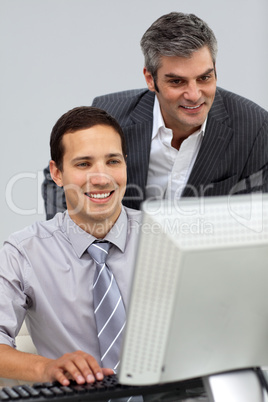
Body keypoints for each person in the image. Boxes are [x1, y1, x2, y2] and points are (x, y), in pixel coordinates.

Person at [42, 11, 268, 219]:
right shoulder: (110, 116)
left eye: (204, 78)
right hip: (119, 257)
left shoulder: (254, 127)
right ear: (150, 79)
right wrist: (75, 250)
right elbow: (58, 181)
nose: (194, 94)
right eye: (177, 82)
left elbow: (258, 221)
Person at [0, 106, 141, 385]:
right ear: (57, 172)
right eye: (83, 164)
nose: (101, 178)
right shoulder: (23, 252)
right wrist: (47, 369)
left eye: (112, 161)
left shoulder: (166, 238)